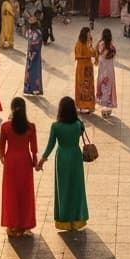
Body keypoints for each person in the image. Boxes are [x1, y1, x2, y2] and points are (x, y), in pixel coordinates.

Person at [36, 96, 89, 231]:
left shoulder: (56, 127)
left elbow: (50, 145)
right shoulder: (78, 124)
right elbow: (82, 130)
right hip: (76, 157)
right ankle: (77, 219)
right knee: (76, 188)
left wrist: (41, 161)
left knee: (63, 188)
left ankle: (64, 220)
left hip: (62, 158)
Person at [0, 97, 38, 236]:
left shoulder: (5, 127)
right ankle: (26, 225)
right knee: (25, 193)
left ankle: (12, 225)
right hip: (25, 162)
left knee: (11, 193)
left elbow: (1, 150)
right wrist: (35, 163)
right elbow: (34, 149)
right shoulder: (30, 127)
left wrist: (4, 160)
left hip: (11, 162)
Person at [95, 28, 118, 116]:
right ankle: (108, 108)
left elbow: (99, 55)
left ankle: (104, 107)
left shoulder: (100, 44)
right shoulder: (110, 46)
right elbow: (112, 55)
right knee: (109, 87)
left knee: (103, 86)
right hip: (109, 70)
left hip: (102, 69)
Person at [73, 27, 96, 114]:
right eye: (88, 33)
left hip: (88, 67)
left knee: (89, 85)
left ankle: (88, 104)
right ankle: (81, 105)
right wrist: (89, 54)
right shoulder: (79, 44)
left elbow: (93, 53)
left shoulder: (89, 43)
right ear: (85, 34)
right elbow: (78, 55)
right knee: (82, 85)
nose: (90, 35)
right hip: (82, 68)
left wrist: (91, 49)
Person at [23, 16, 44, 95]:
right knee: (29, 71)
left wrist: (33, 51)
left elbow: (37, 43)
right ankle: (28, 88)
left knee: (34, 71)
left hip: (35, 53)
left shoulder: (37, 32)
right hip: (30, 52)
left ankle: (36, 88)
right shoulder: (29, 31)